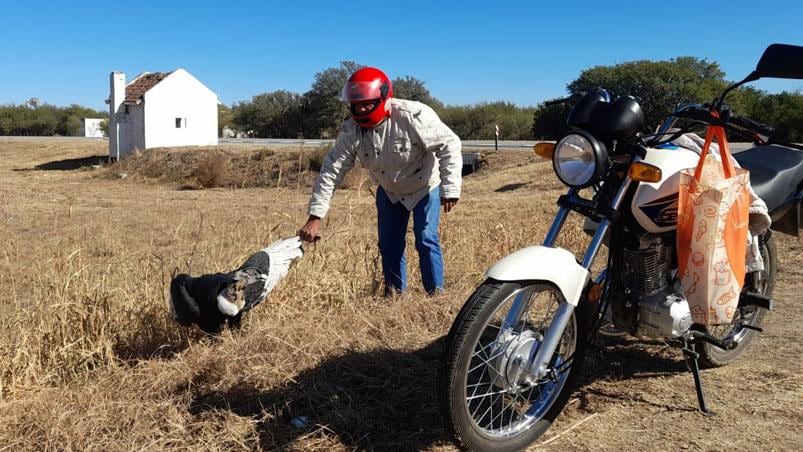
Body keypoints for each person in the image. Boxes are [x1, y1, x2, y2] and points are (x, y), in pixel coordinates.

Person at [298, 67, 462, 295]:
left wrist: (450, 188)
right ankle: (395, 296)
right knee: (389, 245)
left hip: (425, 185)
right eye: (357, 104)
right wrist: (315, 217)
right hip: (390, 191)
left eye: (368, 103)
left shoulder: (413, 116)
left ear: (384, 98)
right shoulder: (352, 131)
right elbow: (331, 171)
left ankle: (436, 296)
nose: (362, 108)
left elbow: (449, 144)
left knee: (425, 239)